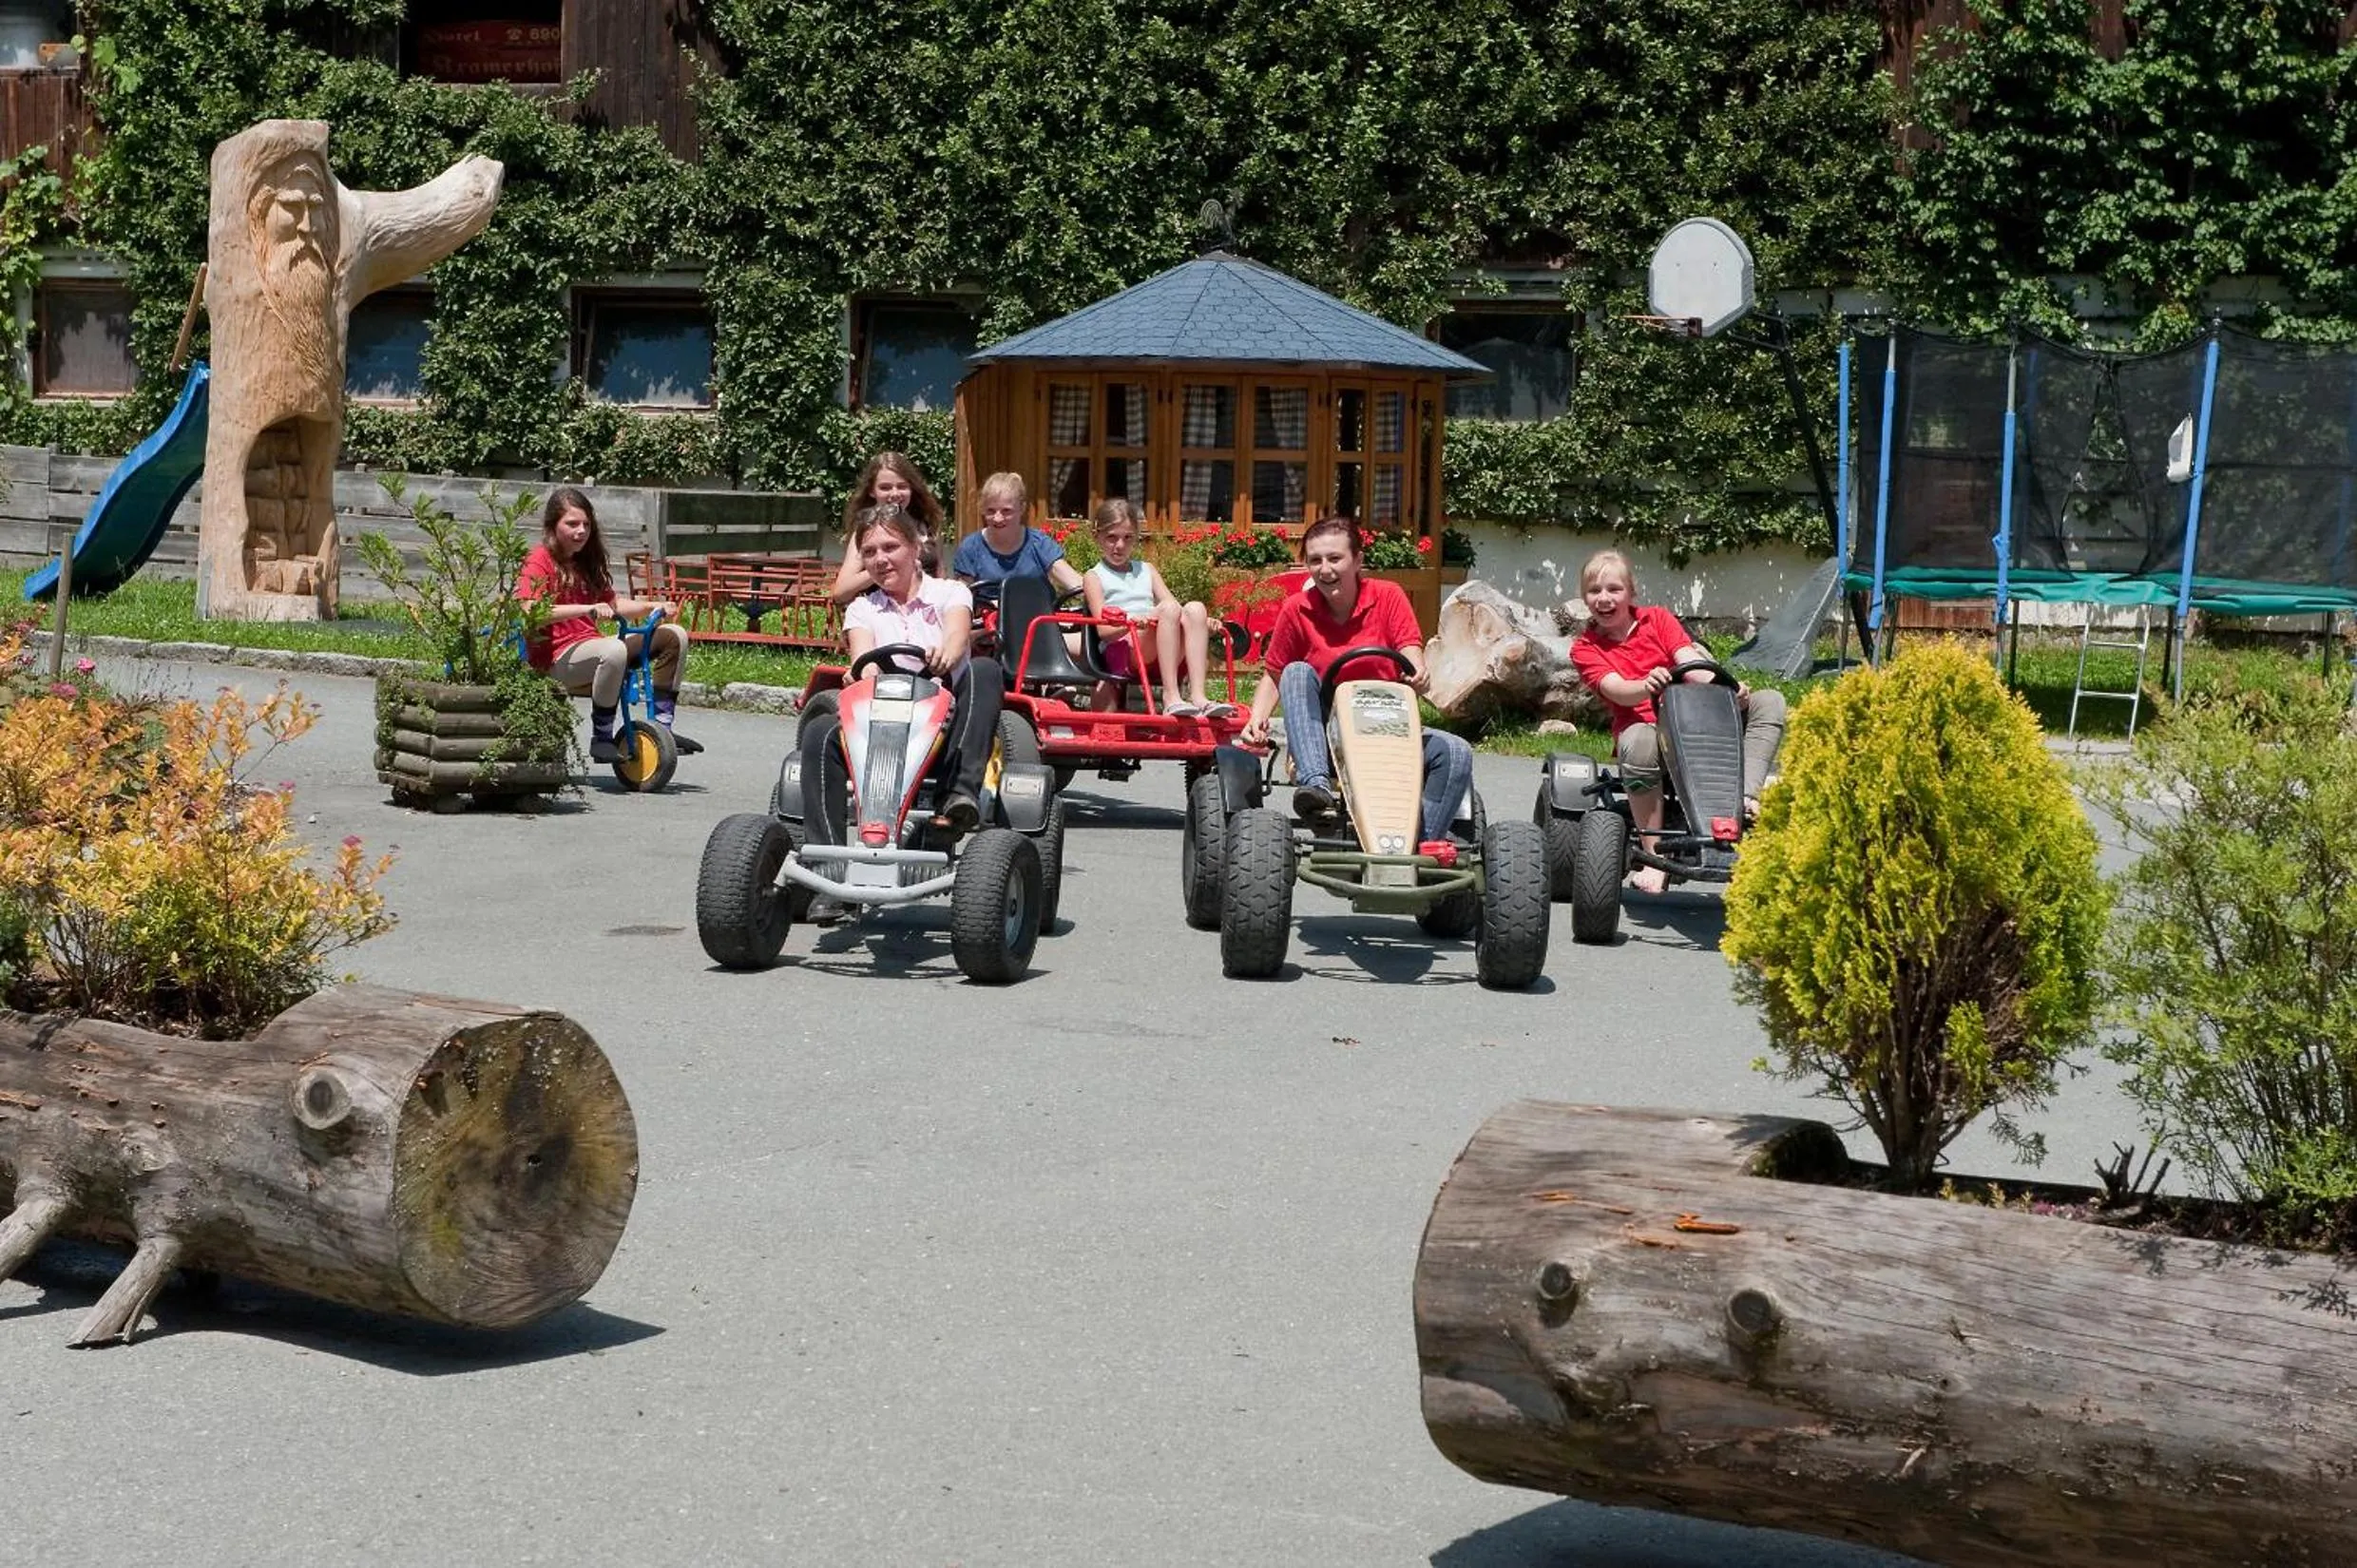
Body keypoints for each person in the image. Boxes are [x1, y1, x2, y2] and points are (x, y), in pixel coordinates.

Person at [1237, 515, 1474, 841]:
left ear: (1358, 560)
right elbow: (1276, 672)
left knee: (1456, 751)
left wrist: (1417, 674)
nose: (1325, 569)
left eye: (1335, 558)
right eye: (1315, 560)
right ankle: (1316, 789)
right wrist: (1257, 719)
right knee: (1297, 671)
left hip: (1387, 727)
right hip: (1325, 735)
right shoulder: (1296, 609)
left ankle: (1420, 845)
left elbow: (1410, 652)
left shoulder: (1388, 596)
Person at [1566, 548, 1787, 894]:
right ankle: (1655, 857)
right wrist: (1646, 685)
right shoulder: (1586, 648)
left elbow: (1689, 661)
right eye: (1595, 591)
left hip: (1700, 725)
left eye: (1613, 589)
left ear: (1631, 593)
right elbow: (1616, 689)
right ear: (1585, 598)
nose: (1604, 599)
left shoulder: (1658, 620)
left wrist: (1729, 687)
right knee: (1637, 739)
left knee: (1769, 701)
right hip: (1650, 738)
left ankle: (1744, 799)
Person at [801, 504, 1001, 837]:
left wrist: (946, 655)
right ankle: (824, 853)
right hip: (884, 725)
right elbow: (863, 655)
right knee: (819, 730)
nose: (880, 559)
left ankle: (958, 794)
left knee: (984, 671)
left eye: (890, 547)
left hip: (944, 732)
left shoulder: (950, 593)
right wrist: (863, 673)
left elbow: (956, 634)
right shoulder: (863, 609)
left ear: (915, 548)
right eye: (870, 552)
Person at [517, 487, 696, 764]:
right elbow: (531, 612)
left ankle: (663, 728)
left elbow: (612, 605)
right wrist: (586, 609)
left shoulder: (585, 562)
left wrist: (652, 605)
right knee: (613, 650)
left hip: (592, 649)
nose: (581, 531)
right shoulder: (539, 560)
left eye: (586, 524)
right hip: (554, 659)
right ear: (553, 526)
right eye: (572, 524)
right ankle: (602, 736)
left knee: (674, 636)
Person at [1082, 498, 1234, 718]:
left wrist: (1202, 622)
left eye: (1127, 538)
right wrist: (1134, 621)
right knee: (1168, 609)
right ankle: (1171, 696)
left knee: (1196, 609)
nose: (1120, 546)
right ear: (1097, 538)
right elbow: (1103, 631)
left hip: (1152, 643)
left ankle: (1199, 696)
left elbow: (1178, 611)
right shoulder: (1094, 576)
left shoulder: (1147, 569)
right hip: (1122, 649)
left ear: (1136, 538)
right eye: (1111, 538)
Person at [830, 451, 948, 606]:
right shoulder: (866, 534)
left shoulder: (927, 528)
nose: (895, 493)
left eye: (902, 486)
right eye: (885, 488)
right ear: (872, 491)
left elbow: (941, 579)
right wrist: (881, 570)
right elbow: (840, 593)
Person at [952, 472, 1083, 595]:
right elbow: (962, 600)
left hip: (1034, 616)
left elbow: (1075, 584)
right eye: (991, 511)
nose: (998, 518)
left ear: (1022, 508)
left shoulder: (1039, 544)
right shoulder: (970, 548)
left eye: (1006, 511)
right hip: (989, 617)